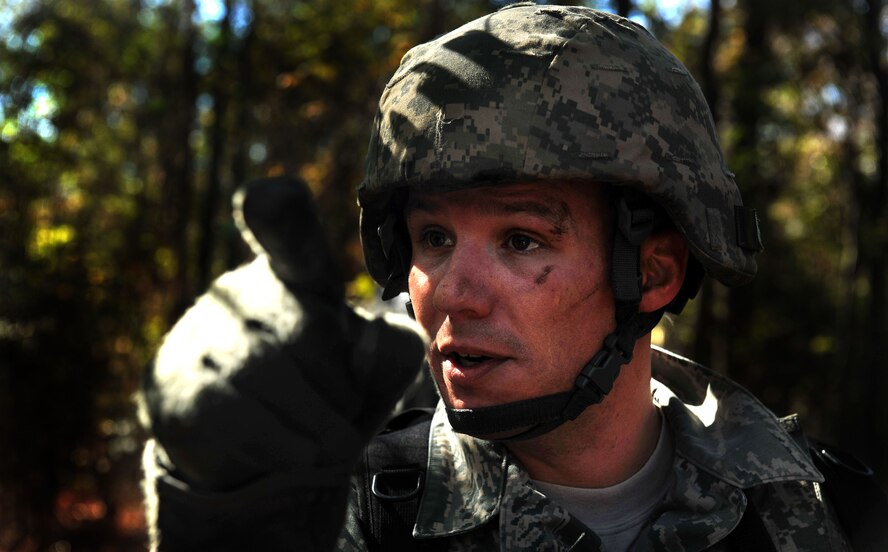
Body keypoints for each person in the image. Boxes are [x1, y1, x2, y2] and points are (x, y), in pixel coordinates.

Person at [140, 4, 865, 551]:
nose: (453, 290)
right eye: (433, 238)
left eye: (520, 240)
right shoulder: (348, 500)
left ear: (653, 272)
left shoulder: (823, 513)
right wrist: (216, 501)